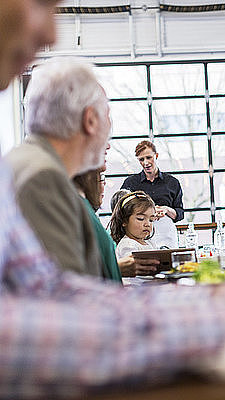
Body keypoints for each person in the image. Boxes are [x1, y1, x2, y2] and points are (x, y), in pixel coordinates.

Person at [0, 3, 225, 396]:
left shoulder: (25, 174)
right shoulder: (37, 180)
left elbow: (55, 292)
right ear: (91, 121)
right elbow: (55, 329)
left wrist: (220, 299)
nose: (51, 35)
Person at [6, 58, 109, 278]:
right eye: (108, 116)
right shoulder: (44, 179)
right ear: (90, 120)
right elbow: (65, 299)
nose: (108, 140)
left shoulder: (20, 163)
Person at [121, 140, 183, 249]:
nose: (146, 163)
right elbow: (122, 211)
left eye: (149, 157)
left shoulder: (172, 182)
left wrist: (167, 210)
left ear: (156, 155)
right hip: (140, 237)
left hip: (167, 235)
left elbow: (180, 213)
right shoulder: (130, 183)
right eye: (141, 159)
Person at [73, 166, 123, 283]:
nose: (104, 184)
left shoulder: (90, 213)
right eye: (100, 178)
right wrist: (120, 268)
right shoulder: (80, 211)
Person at [110, 191, 159, 261]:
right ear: (124, 220)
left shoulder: (150, 242)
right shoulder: (127, 245)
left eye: (151, 220)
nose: (147, 224)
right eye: (141, 219)